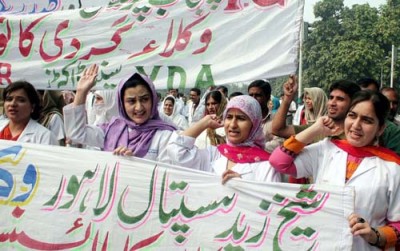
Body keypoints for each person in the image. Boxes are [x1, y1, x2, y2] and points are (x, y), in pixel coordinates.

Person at [270, 90, 400, 250]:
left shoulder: (392, 167)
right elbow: (278, 161)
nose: (356, 125)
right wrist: (314, 130)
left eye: (367, 120)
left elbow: (398, 223)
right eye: (352, 116)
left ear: (380, 129)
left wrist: (375, 235)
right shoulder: (326, 149)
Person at [63, 64, 177, 161]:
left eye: (144, 99)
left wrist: (134, 163)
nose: (139, 107)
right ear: (122, 104)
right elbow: (76, 133)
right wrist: (81, 92)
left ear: (153, 99)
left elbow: (166, 176)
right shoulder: (111, 131)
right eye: (131, 101)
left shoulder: (165, 136)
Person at [168, 95, 281, 184]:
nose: (233, 124)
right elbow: (176, 152)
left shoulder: (266, 165)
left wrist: (244, 188)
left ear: (254, 124)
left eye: (241, 118)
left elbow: (271, 208)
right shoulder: (214, 154)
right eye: (229, 117)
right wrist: (205, 122)